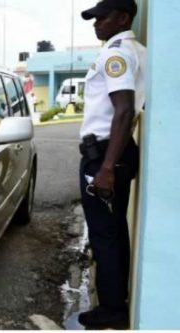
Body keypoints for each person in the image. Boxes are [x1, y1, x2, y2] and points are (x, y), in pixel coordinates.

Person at [77, 0, 145, 329]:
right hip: (115, 152)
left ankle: (112, 310)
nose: (96, 23)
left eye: (102, 17)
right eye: (94, 17)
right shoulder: (137, 50)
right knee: (115, 231)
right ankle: (117, 302)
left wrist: (105, 168)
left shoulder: (115, 54)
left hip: (106, 154)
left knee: (105, 234)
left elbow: (124, 111)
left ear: (123, 17)